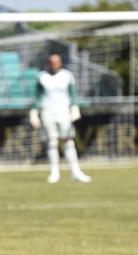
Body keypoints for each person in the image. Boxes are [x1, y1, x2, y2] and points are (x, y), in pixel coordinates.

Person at [29, 53, 91, 183]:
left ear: (60, 62)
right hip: (48, 111)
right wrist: (34, 112)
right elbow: (37, 96)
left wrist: (75, 107)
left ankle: (76, 172)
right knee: (51, 142)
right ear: (48, 63)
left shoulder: (67, 75)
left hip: (63, 112)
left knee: (67, 141)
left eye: (56, 62)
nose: (54, 64)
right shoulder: (42, 76)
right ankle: (54, 172)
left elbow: (72, 93)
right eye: (51, 62)